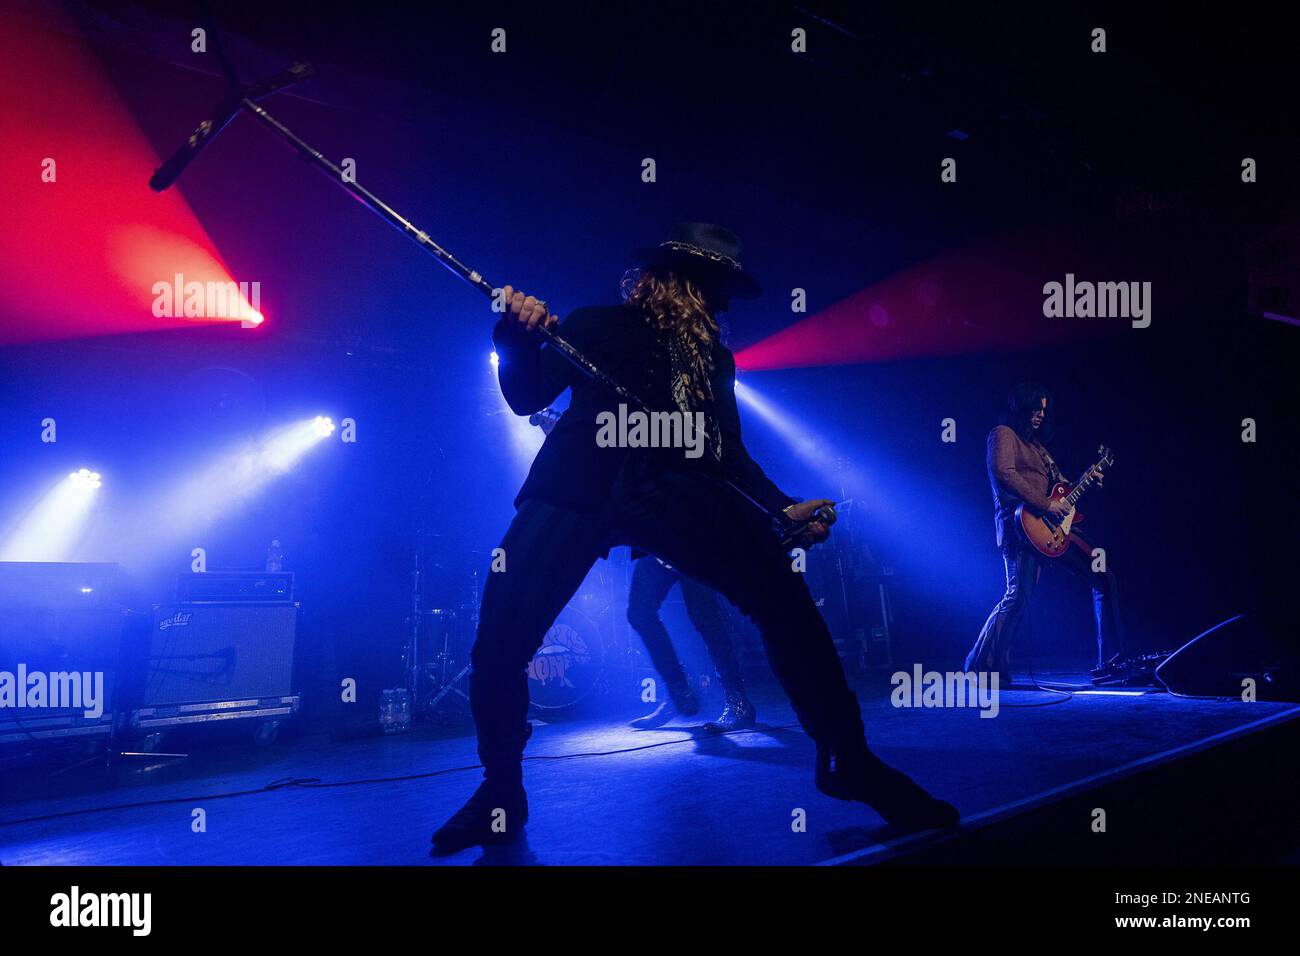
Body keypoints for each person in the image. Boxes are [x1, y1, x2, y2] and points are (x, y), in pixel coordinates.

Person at [432, 223, 958, 855]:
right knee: (500, 634)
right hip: (582, 477)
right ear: (673, 280)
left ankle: (850, 759)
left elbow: (729, 455)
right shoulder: (600, 324)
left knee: (783, 600)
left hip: (674, 489)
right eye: (715, 287)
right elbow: (525, 396)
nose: (725, 303)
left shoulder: (715, 360)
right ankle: (501, 790)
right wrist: (514, 334)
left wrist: (784, 508)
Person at [964, 383, 1123, 684]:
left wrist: (1088, 480)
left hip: (1052, 529)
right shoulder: (1002, 434)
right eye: (1035, 408)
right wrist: (1045, 504)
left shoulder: (1039, 448)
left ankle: (1111, 663)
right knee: (1017, 597)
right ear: (1021, 408)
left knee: (1103, 577)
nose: (1039, 415)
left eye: (1044, 411)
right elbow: (1003, 474)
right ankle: (985, 667)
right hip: (1020, 527)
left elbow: (1064, 490)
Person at [626, 555, 756, 731]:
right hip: (656, 543)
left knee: (706, 619)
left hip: (693, 542)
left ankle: (739, 704)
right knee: (639, 613)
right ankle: (679, 692)